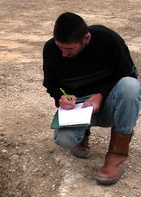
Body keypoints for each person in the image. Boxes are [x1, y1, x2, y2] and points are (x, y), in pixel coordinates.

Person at [43, 12, 141, 185]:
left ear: (86, 38)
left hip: (110, 102)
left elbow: (129, 74)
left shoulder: (108, 41)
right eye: (61, 48)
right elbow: (51, 84)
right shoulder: (51, 50)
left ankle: (116, 157)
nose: (64, 54)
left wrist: (101, 96)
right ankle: (83, 135)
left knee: (130, 86)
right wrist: (61, 98)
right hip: (79, 107)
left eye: (70, 49)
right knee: (64, 140)